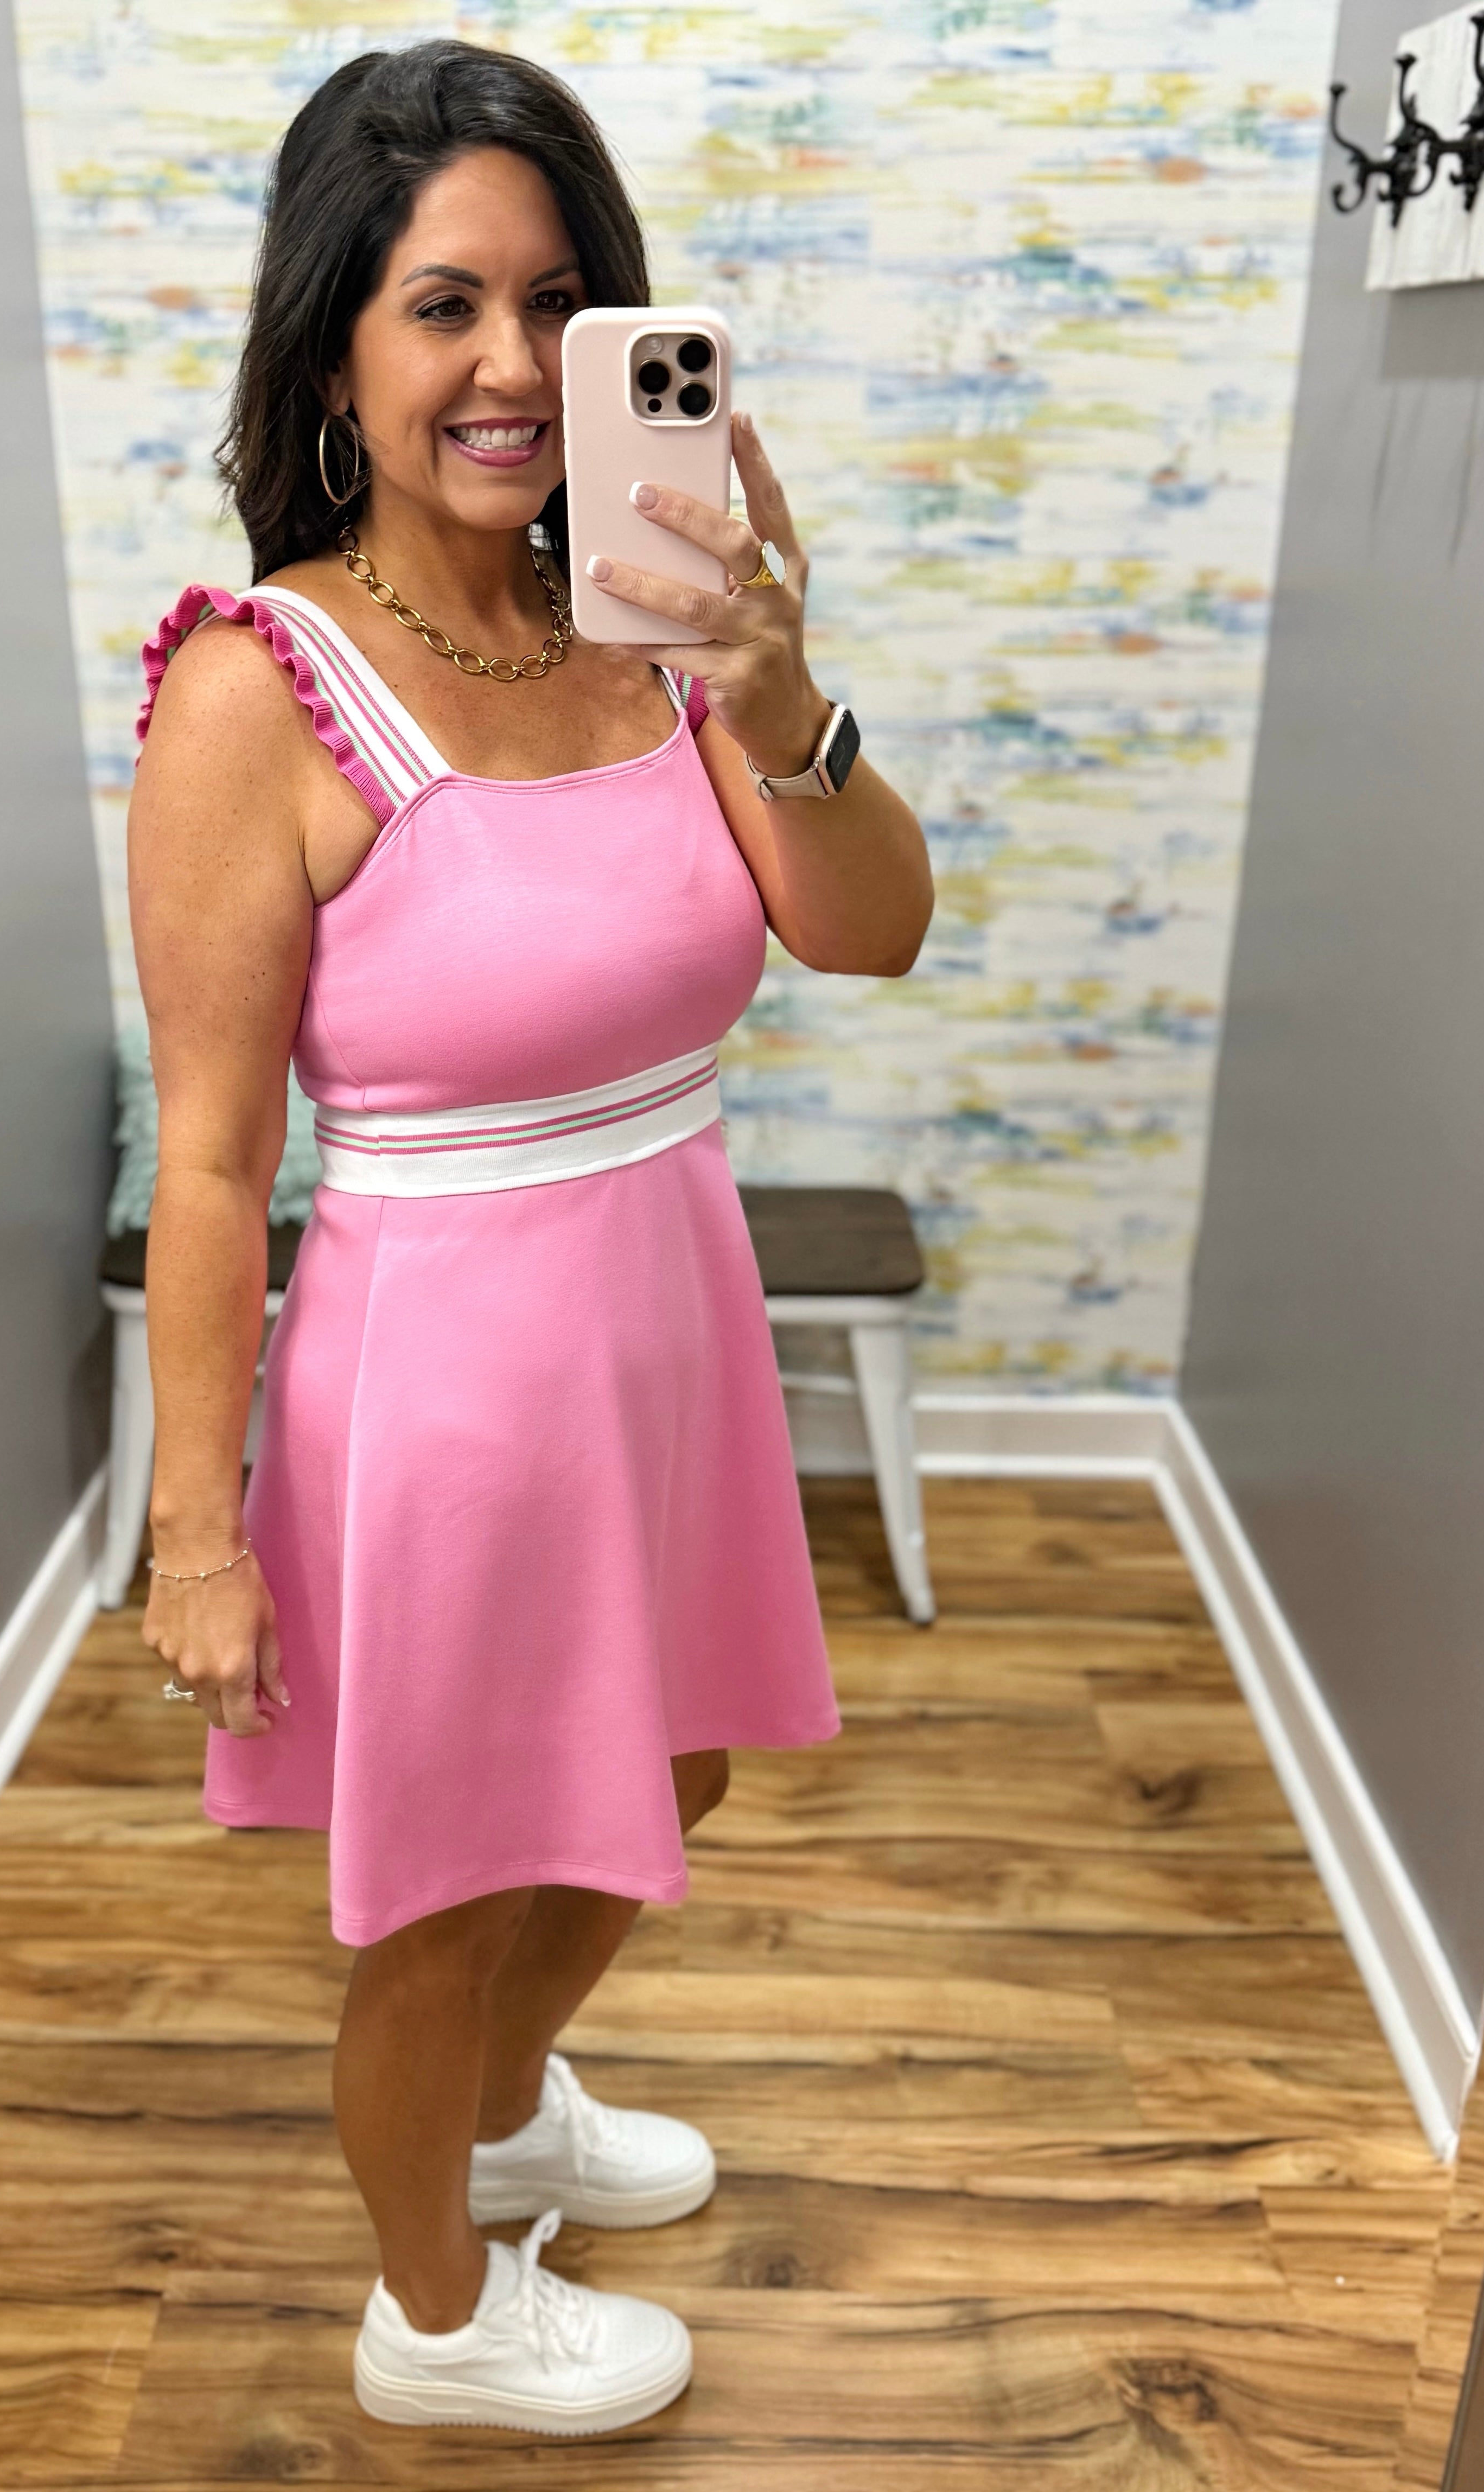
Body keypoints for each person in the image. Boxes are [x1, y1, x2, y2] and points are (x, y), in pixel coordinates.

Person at [129, 37, 933, 2438]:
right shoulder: (252, 688)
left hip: (668, 1320)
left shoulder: (659, 625)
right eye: (438, 307)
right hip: (450, 1382)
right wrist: (196, 1532)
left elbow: (866, 931)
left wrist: (777, 687)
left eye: (554, 305)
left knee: (659, 1785)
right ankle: (436, 2323)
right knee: (449, 1886)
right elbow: (206, 1155)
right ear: (335, 355)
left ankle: (503, 2113)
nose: (502, 366)